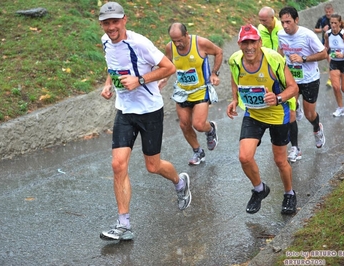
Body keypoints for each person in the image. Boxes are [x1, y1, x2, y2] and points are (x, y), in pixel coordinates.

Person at [98, 2, 191, 241]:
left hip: (150, 111)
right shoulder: (105, 41)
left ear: (124, 20)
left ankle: (179, 182)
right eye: (106, 23)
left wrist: (139, 80)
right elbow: (113, 65)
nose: (111, 27)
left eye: (115, 22)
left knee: (153, 166)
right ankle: (124, 224)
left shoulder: (140, 43)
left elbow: (168, 67)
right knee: (118, 165)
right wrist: (109, 84)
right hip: (125, 111)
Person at [227, 24, 299, 215]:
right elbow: (236, 79)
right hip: (254, 114)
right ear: (239, 44)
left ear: (259, 42)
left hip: (277, 115)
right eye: (245, 42)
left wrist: (278, 98)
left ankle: (289, 193)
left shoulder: (273, 59)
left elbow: (293, 87)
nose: (249, 47)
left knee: (280, 161)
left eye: (252, 41)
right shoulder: (235, 60)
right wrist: (234, 99)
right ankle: (259, 189)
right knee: (244, 157)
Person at [159, 23, 223, 165]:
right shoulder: (170, 47)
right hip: (182, 91)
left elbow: (219, 52)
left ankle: (210, 129)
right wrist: (164, 79)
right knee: (184, 125)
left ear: (186, 34)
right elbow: (167, 65)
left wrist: (214, 73)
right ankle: (198, 152)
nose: (177, 44)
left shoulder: (200, 43)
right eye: (174, 41)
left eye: (180, 40)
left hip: (200, 89)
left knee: (199, 125)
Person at [278, 6, 328, 151]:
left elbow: (323, 54)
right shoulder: (281, 34)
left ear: (296, 20)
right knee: (290, 113)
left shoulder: (308, 35)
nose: (285, 26)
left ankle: (317, 128)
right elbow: (280, 51)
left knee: (309, 115)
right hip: (291, 80)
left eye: (288, 22)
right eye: (283, 22)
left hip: (309, 79)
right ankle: (295, 148)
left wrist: (303, 58)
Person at [258, 6, 302, 163]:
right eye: (260, 20)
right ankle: (280, 146)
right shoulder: (260, 30)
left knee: (290, 114)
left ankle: (295, 147)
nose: (262, 23)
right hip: (270, 75)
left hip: (286, 72)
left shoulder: (282, 28)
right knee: (274, 111)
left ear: (272, 18)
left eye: (264, 20)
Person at [314, 3, 334, 89]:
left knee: (331, 61)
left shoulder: (336, 19)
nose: (328, 13)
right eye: (327, 12)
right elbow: (315, 29)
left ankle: (331, 79)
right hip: (325, 44)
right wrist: (322, 29)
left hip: (334, 44)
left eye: (329, 12)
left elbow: (342, 28)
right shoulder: (322, 19)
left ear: (332, 11)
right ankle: (333, 76)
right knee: (330, 61)